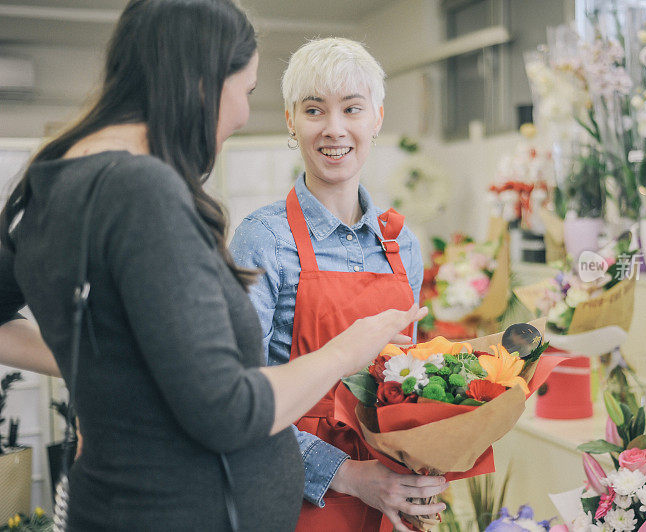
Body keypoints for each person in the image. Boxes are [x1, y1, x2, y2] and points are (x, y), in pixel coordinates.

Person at [0, 2, 425, 530]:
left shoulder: (59, 177)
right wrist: (346, 352)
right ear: (201, 81)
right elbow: (231, 409)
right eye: (244, 91)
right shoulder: (144, 191)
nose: (244, 115)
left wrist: (108, 366)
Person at [229, 38, 446, 532]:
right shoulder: (262, 240)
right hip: (295, 498)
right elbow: (238, 402)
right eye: (314, 110)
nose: (334, 129)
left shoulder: (401, 244)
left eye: (352, 108)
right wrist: (346, 475)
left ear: (377, 118)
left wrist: (428, 461)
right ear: (290, 120)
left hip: (390, 493)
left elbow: (403, 387)